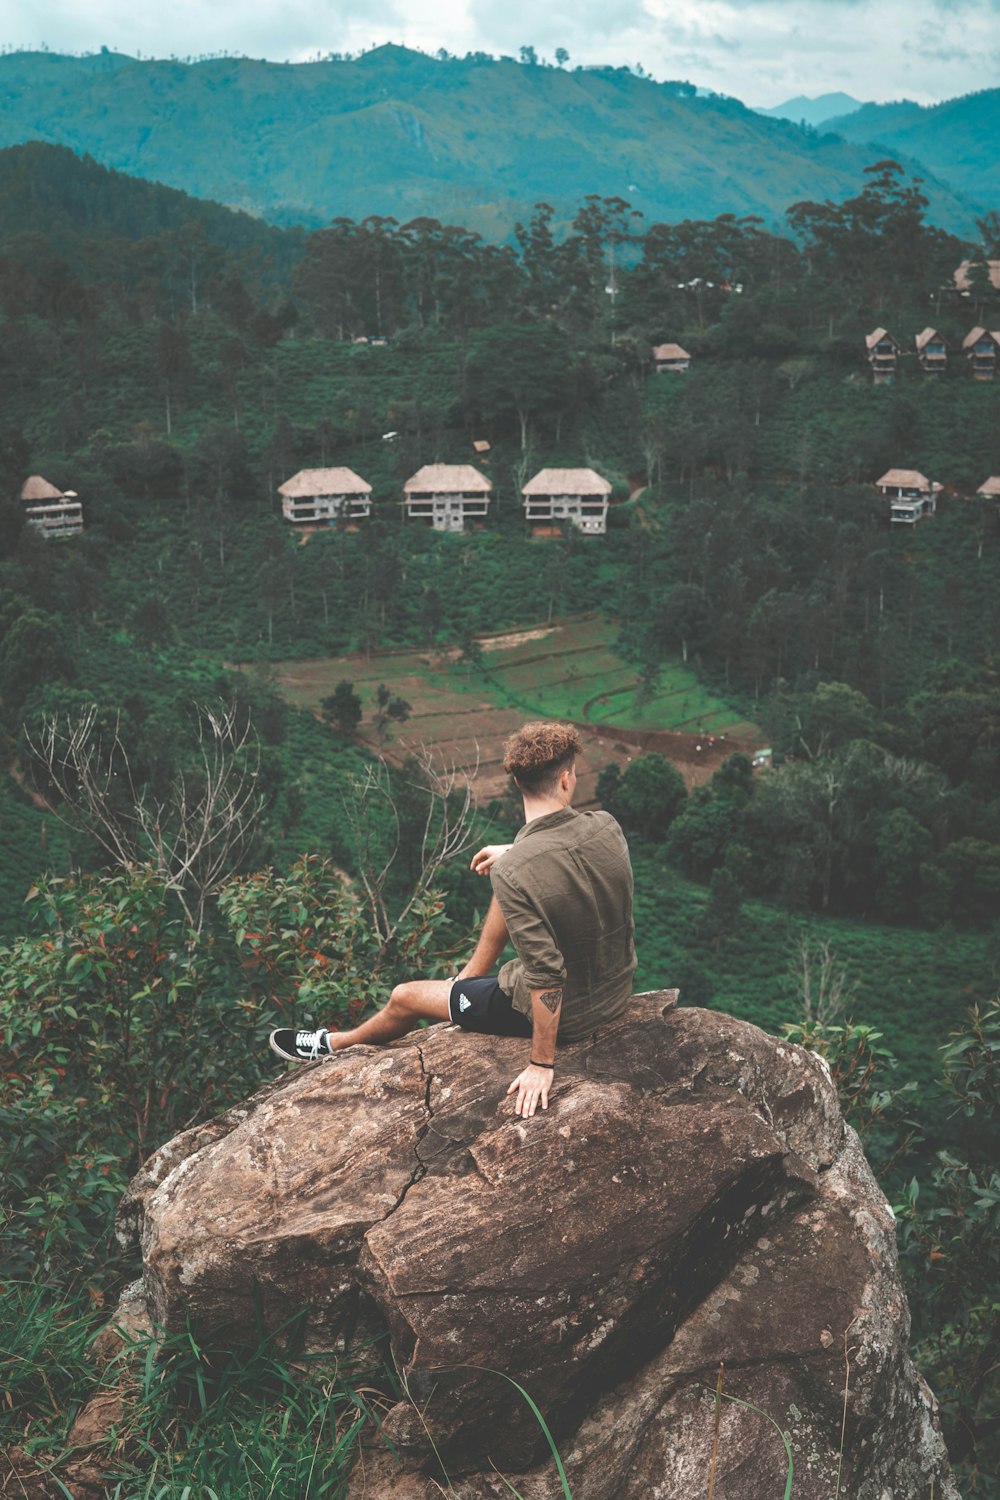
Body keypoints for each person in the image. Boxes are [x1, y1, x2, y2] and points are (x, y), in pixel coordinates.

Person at [268, 722, 636, 1118]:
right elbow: (564, 846)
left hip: (567, 1016)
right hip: (616, 992)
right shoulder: (607, 827)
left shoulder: (515, 870)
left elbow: (547, 977)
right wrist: (515, 851)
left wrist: (541, 1065)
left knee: (404, 997)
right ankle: (468, 978)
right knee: (511, 878)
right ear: (566, 779)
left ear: (515, 781)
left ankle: (334, 1044)